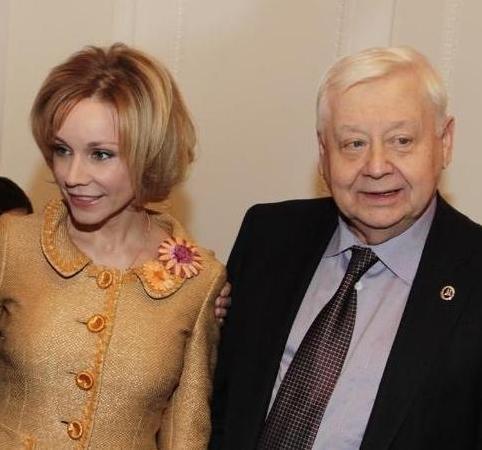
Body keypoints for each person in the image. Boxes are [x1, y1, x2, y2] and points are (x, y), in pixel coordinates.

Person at [210, 46, 482, 450]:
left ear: (445, 143)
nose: (376, 167)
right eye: (354, 144)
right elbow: (215, 403)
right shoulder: (267, 236)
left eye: (401, 141)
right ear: (323, 153)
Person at [0, 43, 227, 449]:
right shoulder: (12, 244)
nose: (72, 175)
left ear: (149, 155)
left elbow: (186, 431)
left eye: (101, 154)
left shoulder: (197, 281)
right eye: (62, 150)